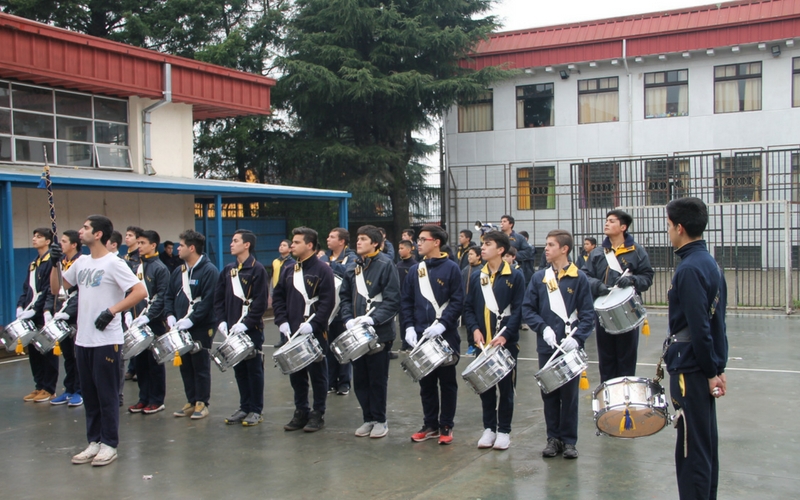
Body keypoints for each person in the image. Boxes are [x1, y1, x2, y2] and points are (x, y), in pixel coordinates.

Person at [51, 215, 147, 466]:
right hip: (83, 339)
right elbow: (57, 289)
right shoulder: (81, 262)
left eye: (85, 228)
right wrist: (54, 264)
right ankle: (94, 441)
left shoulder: (114, 263)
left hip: (107, 340)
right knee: (90, 395)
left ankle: (109, 444)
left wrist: (112, 310)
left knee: (107, 395)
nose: (80, 231)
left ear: (98, 234)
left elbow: (139, 291)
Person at [665, 197, 728, 500]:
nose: (668, 231)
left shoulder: (689, 269)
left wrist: (711, 369)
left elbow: (701, 327)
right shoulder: (709, 262)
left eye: (668, 225)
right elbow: (720, 324)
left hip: (690, 368)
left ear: (680, 227)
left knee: (691, 449)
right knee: (704, 443)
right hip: (702, 366)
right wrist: (718, 367)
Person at [522, 229, 594, 460]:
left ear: (564, 249)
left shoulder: (579, 277)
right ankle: (553, 438)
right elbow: (528, 309)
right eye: (546, 244)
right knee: (549, 392)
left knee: (570, 396)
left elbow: (588, 314)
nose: (546, 249)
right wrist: (542, 328)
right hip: (547, 347)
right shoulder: (539, 278)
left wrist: (578, 337)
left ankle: (569, 440)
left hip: (570, 347)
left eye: (551, 245)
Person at [401, 224, 464, 445]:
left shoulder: (451, 268)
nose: (418, 243)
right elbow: (406, 301)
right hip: (420, 335)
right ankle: (430, 424)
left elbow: (457, 301)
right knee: (425, 383)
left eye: (423, 239)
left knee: (447, 383)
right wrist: (408, 327)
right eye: (418, 239)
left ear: (436, 242)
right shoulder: (414, 270)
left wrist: (443, 324)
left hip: (444, 335)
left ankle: (446, 425)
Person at [462, 230, 525, 450]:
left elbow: (519, 310)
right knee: (485, 387)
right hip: (483, 343)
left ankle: (504, 430)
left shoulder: (515, 276)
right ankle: (489, 428)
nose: (482, 248)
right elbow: (468, 307)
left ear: (500, 249)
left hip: (505, 344)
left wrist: (506, 335)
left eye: (487, 244)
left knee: (506, 389)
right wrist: (474, 330)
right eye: (482, 245)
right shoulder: (477, 275)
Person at [339, 225, 401, 438]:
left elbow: (393, 300)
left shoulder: (386, 265)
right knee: (361, 379)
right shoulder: (353, 266)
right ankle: (368, 418)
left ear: (375, 243)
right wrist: (347, 319)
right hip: (356, 332)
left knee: (377, 379)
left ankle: (380, 420)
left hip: (379, 332)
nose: (358, 242)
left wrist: (373, 319)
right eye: (358, 238)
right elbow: (345, 296)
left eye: (364, 239)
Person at [273, 227, 336, 433]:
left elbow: (328, 301)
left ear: (309, 245)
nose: (292, 245)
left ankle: (318, 412)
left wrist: (315, 323)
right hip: (291, 330)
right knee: (295, 373)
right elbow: (279, 297)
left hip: (314, 330)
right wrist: (281, 321)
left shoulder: (323, 270)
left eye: (297, 242)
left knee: (317, 374)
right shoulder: (289, 270)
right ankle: (301, 410)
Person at [583, 210, 654, 383]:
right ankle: (608, 401)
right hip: (602, 313)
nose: (606, 223)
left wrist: (632, 280)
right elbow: (585, 276)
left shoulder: (636, 251)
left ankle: (625, 403)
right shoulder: (598, 252)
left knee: (626, 361)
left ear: (623, 227)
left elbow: (647, 277)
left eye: (612, 221)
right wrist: (597, 286)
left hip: (627, 312)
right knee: (606, 361)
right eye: (606, 220)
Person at [214, 229, 269, 426]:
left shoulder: (257, 270)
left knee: (254, 370)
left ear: (247, 245)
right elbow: (218, 297)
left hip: (251, 330)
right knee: (239, 369)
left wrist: (246, 324)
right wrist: (221, 320)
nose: (231, 244)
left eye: (235, 240)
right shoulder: (229, 269)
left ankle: (256, 409)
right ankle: (244, 406)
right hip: (231, 330)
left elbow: (261, 302)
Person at [165, 229, 219, 420]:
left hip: (201, 325)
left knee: (200, 363)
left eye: (180, 245)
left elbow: (208, 300)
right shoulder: (179, 271)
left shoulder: (209, 271)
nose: (177, 249)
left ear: (192, 248)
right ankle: (191, 399)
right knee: (185, 364)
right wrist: (170, 314)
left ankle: (202, 402)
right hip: (180, 326)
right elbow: (169, 295)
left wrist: (191, 319)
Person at [126, 230, 171, 415]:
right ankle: (143, 398)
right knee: (140, 362)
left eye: (143, 243)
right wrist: (128, 314)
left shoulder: (160, 268)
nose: (139, 246)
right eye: (138, 243)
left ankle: (156, 400)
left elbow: (162, 296)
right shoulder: (135, 266)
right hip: (137, 322)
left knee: (154, 363)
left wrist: (148, 316)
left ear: (153, 245)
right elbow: (128, 292)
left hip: (153, 322)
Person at [18, 227, 58, 403]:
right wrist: (20, 306)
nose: (34, 239)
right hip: (31, 313)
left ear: (48, 241)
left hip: (43, 312)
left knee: (47, 351)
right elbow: (27, 288)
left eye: (39, 237)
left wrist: (39, 309)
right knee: (34, 350)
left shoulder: (52, 261)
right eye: (34, 236)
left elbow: (49, 290)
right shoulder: (33, 263)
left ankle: (49, 388)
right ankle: (39, 385)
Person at [49, 230, 84, 407]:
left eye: (64, 241)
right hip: (61, 314)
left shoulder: (81, 262)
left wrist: (68, 312)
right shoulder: (62, 262)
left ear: (74, 244)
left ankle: (79, 390)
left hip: (75, 316)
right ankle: (69, 388)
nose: (60, 244)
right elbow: (54, 289)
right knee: (68, 356)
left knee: (78, 356)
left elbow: (80, 293)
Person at [325, 228, 357, 393]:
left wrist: (330, 266)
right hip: (328, 312)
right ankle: (330, 381)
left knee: (343, 348)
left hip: (343, 310)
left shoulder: (351, 258)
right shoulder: (324, 257)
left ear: (342, 241)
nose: (328, 239)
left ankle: (344, 382)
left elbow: (350, 273)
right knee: (329, 348)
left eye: (332, 237)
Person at [123, 225, 143, 381]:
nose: (127, 237)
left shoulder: (139, 259)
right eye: (126, 235)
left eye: (130, 235)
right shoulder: (125, 258)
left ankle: (136, 367)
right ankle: (132, 366)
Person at [270, 239, 296, 348]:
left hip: (287, 291)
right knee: (279, 313)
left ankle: (289, 336)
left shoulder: (292, 263)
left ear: (290, 249)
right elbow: (273, 275)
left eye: (284, 245)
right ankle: (282, 337)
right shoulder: (275, 261)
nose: (281, 247)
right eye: (280, 245)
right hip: (277, 290)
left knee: (288, 313)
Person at [461, 246, 483, 356]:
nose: (469, 257)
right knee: (468, 325)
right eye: (468, 254)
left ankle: (477, 344)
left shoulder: (482, 270)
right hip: (466, 302)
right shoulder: (465, 270)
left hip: (478, 303)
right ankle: (471, 345)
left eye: (471, 254)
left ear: (479, 256)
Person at [499, 215, 535, 281]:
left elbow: (527, 251)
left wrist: (513, 255)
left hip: (515, 267)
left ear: (511, 224)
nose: (501, 223)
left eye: (504, 221)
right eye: (501, 221)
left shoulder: (519, 237)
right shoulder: (497, 237)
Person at [396, 240, 417, 352]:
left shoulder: (415, 266)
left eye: (402, 248)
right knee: (402, 320)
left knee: (410, 319)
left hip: (411, 298)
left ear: (409, 250)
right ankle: (404, 343)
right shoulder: (398, 265)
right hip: (400, 298)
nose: (400, 251)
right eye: (399, 248)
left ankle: (411, 343)